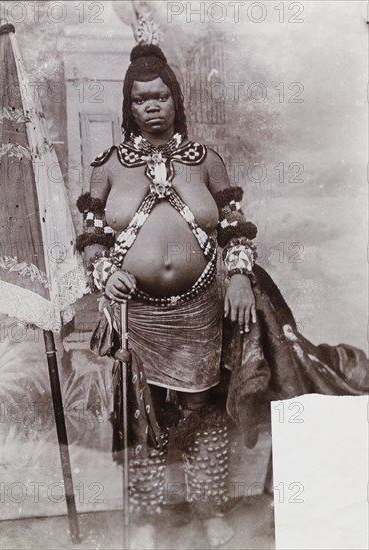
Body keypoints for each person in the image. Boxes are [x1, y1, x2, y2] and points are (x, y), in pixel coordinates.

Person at [76, 44, 259, 548]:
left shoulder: (206, 160)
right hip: (139, 318)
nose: (152, 106)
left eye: (160, 96)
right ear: (128, 107)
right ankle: (149, 519)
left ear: (175, 99)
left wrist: (239, 277)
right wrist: (105, 273)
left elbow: (234, 228)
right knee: (143, 412)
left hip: (200, 310)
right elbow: (91, 238)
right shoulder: (108, 165)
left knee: (203, 410)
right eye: (140, 100)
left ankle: (209, 511)